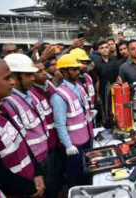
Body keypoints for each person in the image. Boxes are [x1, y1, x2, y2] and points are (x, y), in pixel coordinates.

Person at [0, 57, 45, 197]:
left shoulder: (2, 109)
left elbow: (23, 144)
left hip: (31, 180)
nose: (12, 82)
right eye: (7, 78)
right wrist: (29, 188)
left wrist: (37, 173)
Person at [50, 54, 94, 188]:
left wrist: (90, 115)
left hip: (86, 138)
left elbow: (81, 109)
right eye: (73, 69)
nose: (77, 71)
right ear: (63, 72)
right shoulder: (59, 96)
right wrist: (68, 145)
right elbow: (59, 124)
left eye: (77, 69)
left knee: (87, 173)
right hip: (74, 145)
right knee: (75, 176)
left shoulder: (79, 86)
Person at [29, 62, 63, 197]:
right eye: (39, 71)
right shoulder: (30, 94)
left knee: (57, 174)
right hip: (44, 147)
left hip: (56, 140)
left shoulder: (49, 85)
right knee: (48, 180)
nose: (44, 73)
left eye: (44, 70)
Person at [94, 40, 121, 113]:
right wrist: (97, 95)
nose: (105, 49)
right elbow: (97, 80)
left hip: (116, 89)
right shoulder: (96, 63)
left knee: (118, 109)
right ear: (98, 50)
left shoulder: (115, 60)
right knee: (107, 111)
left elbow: (119, 76)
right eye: (102, 48)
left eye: (106, 47)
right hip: (104, 92)